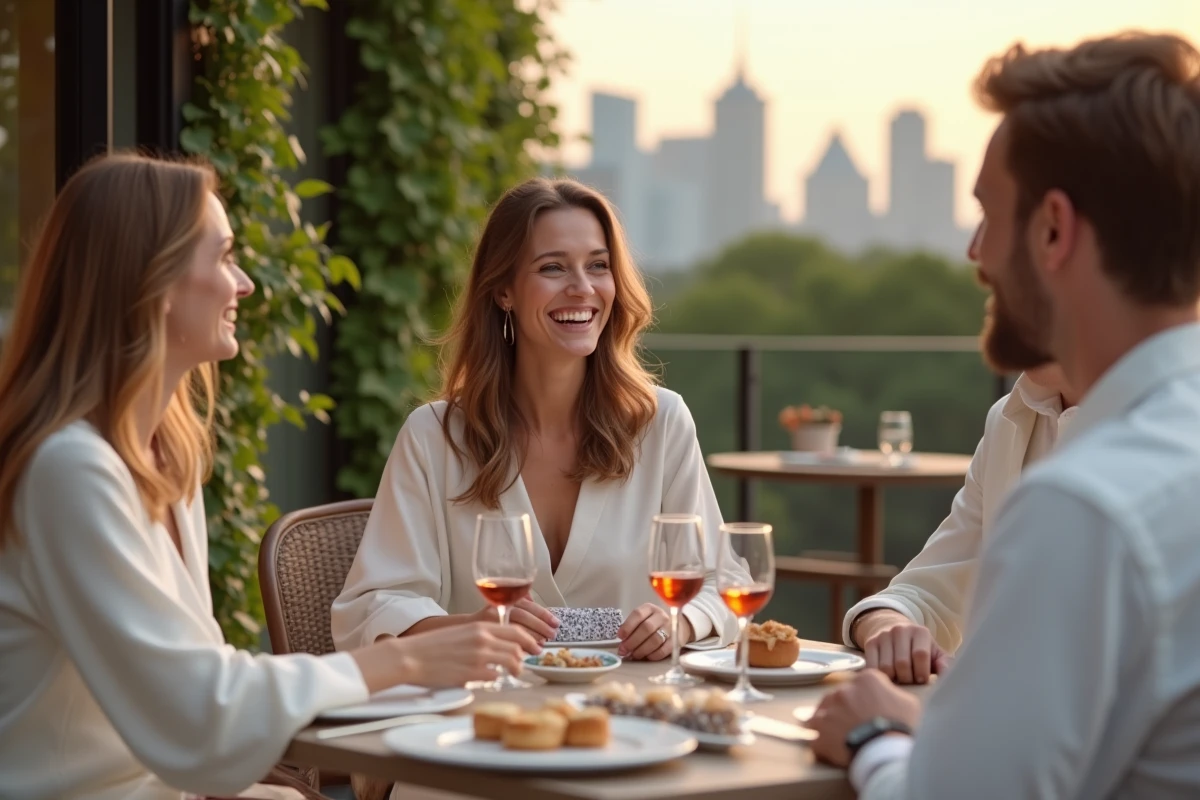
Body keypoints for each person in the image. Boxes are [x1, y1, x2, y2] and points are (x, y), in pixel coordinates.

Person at [0, 154, 539, 800]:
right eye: (224, 257)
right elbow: (200, 712)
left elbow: (199, 696)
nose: (245, 284)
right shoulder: (70, 471)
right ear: (155, 280)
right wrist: (404, 660)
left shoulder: (163, 458)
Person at [808, 31, 1200, 798]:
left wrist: (873, 737)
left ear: (1053, 230)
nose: (974, 252)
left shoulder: (1085, 506)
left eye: (989, 211)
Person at [331, 178, 738, 661]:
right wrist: (468, 628)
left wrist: (681, 622)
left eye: (598, 266)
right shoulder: (434, 437)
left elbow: (721, 583)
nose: (582, 288)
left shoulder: (660, 422)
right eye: (552, 267)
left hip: (632, 717)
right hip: (483, 719)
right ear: (504, 290)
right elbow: (372, 606)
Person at [843, 353, 1078, 683]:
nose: (994, 306)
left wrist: (903, 724)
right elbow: (935, 591)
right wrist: (887, 624)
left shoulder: (1159, 436)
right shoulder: (1009, 419)